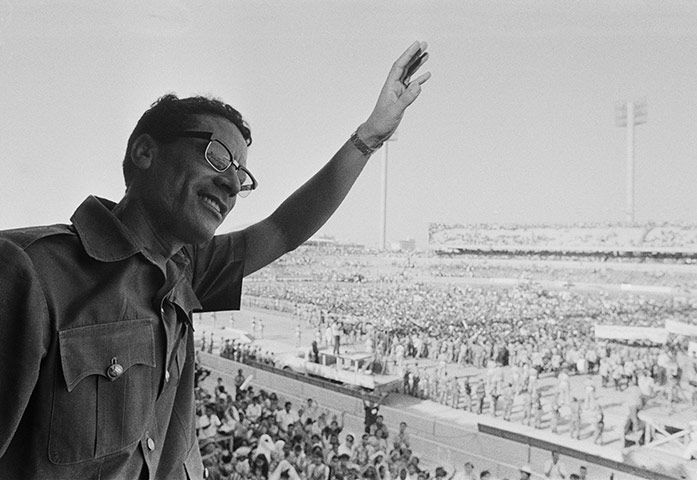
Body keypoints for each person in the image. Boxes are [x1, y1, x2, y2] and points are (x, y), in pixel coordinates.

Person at [0, 41, 431, 480]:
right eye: (217, 156)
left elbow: (283, 230)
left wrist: (369, 138)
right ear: (145, 152)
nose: (230, 183)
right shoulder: (28, 272)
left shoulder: (185, 270)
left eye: (241, 176)